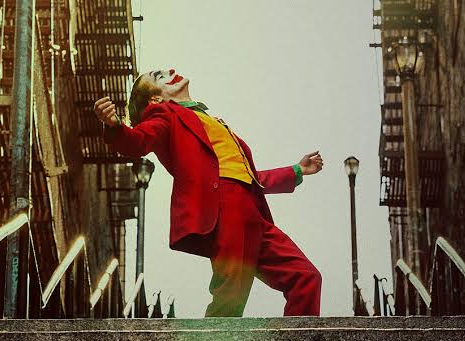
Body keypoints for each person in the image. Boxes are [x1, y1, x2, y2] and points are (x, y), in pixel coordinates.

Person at [93, 68, 323, 317]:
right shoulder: (163, 113)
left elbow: (249, 177)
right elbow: (138, 141)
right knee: (231, 292)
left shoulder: (212, 121)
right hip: (225, 210)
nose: (170, 70)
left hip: (254, 215)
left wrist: (296, 170)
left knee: (306, 277)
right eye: (159, 76)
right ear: (156, 99)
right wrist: (115, 126)